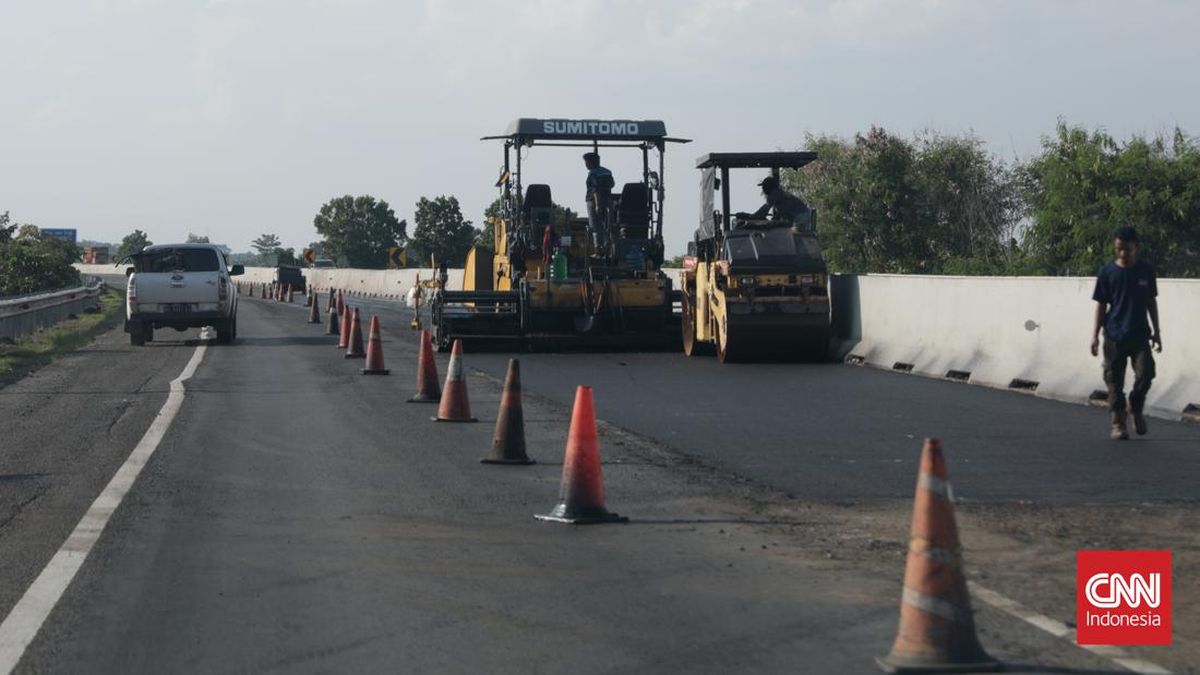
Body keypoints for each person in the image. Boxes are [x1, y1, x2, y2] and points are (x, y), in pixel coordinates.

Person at [1090, 226, 1162, 440]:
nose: (1123, 253)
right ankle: (1118, 423)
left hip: (1140, 334)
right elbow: (1101, 306)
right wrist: (1094, 335)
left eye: (1127, 249)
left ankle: (1136, 406)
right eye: (1119, 249)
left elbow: (1151, 302)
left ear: (1136, 248)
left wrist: (1157, 332)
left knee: (1146, 373)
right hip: (1114, 335)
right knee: (1114, 381)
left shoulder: (1146, 271)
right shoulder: (1107, 273)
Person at [737, 175, 810, 224]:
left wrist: (748, 217)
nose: (763, 189)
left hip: (800, 217)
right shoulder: (780, 193)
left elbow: (763, 212)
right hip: (803, 215)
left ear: (769, 187)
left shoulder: (774, 194)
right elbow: (781, 213)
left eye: (764, 187)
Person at [583, 152, 615, 253]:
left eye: (586, 162)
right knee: (608, 225)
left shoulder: (592, 173)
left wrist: (597, 205)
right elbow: (612, 184)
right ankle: (608, 247)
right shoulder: (607, 172)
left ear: (590, 162)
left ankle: (598, 250)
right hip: (608, 200)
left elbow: (595, 190)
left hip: (594, 202)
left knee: (595, 226)